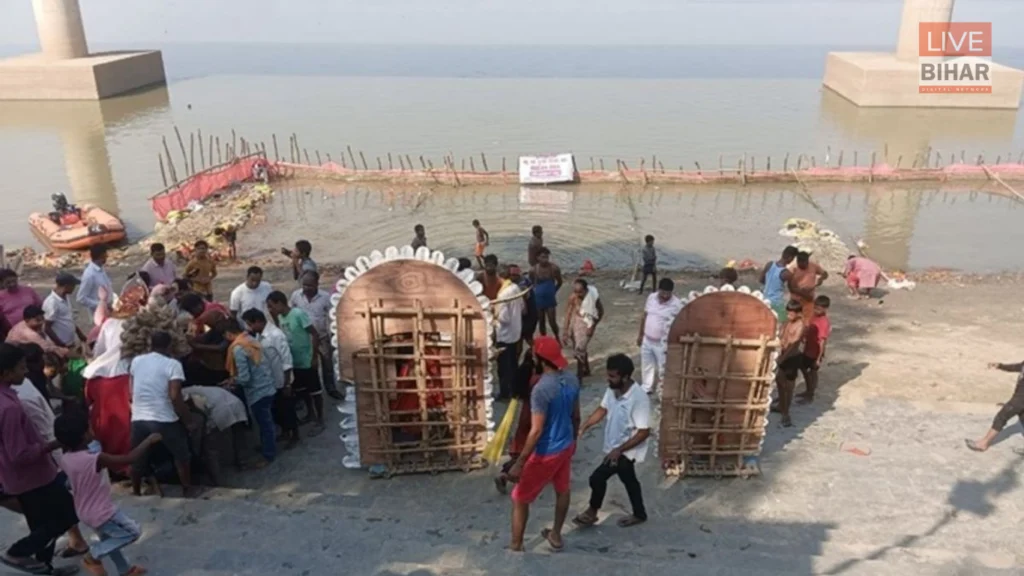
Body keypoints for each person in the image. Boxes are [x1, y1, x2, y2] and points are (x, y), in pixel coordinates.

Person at [0, 344, 80, 575]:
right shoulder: (9, 408)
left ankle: (44, 567)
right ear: (5, 373)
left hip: (24, 476)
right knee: (66, 514)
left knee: (42, 524)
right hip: (31, 477)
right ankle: (17, 551)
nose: (25, 373)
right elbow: (19, 454)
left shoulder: (8, 397)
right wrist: (52, 445)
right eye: (20, 368)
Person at [54, 409, 156, 576]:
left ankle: (125, 570)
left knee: (109, 539)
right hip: (102, 512)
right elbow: (128, 459)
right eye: (89, 428)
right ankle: (92, 556)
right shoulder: (95, 459)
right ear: (84, 435)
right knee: (132, 532)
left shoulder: (65, 458)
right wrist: (149, 441)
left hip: (84, 510)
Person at [506, 336, 581, 552]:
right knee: (563, 489)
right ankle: (556, 534)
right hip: (566, 444)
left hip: (546, 452)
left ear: (540, 360)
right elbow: (576, 416)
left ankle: (516, 545)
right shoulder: (571, 379)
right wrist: (573, 440)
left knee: (520, 498)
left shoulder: (541, 389)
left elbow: (536, 430)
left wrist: (520, 462)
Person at [575, 354, 650, 528]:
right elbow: (603, 408)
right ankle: (640, 513)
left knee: (597, 478)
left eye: (612, 376)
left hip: (625, 450)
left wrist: (619, 450)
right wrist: (585, 425)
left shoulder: (639, 399)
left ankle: (592, 512)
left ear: (625, 377)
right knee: (629, 480)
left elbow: (644, 432)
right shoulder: (612, 389)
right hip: (614, 447)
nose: (608, 379)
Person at [128, 331, 193, 497]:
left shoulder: (137, 361)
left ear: (150, 344)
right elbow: (174, 396)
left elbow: (131, 390)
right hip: (164, 418)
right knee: (181, 454)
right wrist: (188, 420)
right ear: (170, 346)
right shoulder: (173, 365)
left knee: (138, 458)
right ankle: (186, 489)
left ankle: (135, 492)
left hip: (139, 417)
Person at [220, 318, 278, 468]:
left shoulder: (238, 349)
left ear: (228, 334)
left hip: (257, 390)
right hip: (267, 384)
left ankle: (268, 454)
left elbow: (245, 378)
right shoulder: (250, 339)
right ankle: (268, 446)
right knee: (266, 421)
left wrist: (232, 381)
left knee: (264, 423)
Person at [267, 291, 324, 436]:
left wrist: (314, 356)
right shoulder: (280, 317)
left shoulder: (298, 314)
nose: (270, 310)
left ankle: (320, 418)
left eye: (272, 306)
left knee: (315, 391)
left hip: (306, 359)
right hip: (295, 361)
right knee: (302, 390)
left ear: (280, 303)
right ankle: (310, 413)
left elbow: (314, 333)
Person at [242, 309, 298, 448]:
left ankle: (295, 436)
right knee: (278, 410)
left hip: (282, 380)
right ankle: (285, 432)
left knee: (288, 409)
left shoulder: (276, 335)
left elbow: (286, 360)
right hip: (272, 380)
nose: (248, 328)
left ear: (258, 321)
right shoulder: (259, 335)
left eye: (250, 324)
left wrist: (287, 384)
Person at [494, 349, 542, 494]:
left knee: (520, 453)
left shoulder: (523, 373)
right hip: (531, 416)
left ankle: (505, 473)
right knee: (526, 455)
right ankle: (504, 476)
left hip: (523, 415)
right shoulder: (537, 379)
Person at [289, 271, 342, 400]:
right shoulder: (296, 296)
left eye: (310, 285)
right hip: (304, 339)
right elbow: (291, 313)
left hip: (322, 337)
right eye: (304, 285)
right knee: (307, 366)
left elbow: (332, 316)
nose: (307, 288)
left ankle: (330, 388)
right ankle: (309, 390)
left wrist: (334, 334)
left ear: (317, 284)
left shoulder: (325, 297)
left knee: (327, 363)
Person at [636, 278, 682, 395]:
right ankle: (647, 387)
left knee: (663, 368)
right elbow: (644, 316)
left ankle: (663, 391)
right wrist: (640, 335)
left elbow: (679, 325)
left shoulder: (676, 304)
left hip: (662, 343)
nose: (665, 296)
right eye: (663, 293)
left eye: (668, 293)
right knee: (647, 365)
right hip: (647, 339)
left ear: (672, 292)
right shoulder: (651, 298)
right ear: (659, 290)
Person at [967, 360, 1024, 453]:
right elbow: (1017, 367)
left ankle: (983, 444)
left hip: (1020, 399)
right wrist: (1000, 366)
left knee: (1002, 416)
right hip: (1020, 398)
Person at [562, 279, 604, 381]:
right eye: (575, 292)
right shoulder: (573, 298)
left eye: (580, 292)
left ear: (586, 290)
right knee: (578, 347)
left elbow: (601, 312)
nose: (578, 294)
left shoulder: (593, 297)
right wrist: (565, 331)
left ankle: (579, 376)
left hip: (588, 323)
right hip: (576, 322)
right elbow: (568, 314)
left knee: (579, 350)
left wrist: (592, 326)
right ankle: (587, 370)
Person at [774, 300, 807, 428]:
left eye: (792, 314)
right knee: (779, 383)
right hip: (783, 355)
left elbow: (793, 345)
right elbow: (782, 336)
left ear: (798, 314)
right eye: (788, 313)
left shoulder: (800, 325)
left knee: (788, 387)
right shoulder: (788, 323)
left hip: (791, 358)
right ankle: (781, 406)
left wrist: (782, 358)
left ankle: (786, 414)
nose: (789, 316)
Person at [494, 265, 524, 401]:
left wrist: (493, 314)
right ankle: (514, 391)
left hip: (505, 335)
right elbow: (523, 308)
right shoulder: (515, 288)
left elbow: (504, 318)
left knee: (503, 367)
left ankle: (505, 393)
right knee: (513, 364)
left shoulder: (503, 294)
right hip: (515, 332)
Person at [797, 295, 831, 405]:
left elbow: (822, 341)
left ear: (825, 309)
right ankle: (808, 390)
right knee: (804, 368)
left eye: (819, 309)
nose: (816, 310)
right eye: (815, 307)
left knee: (812, 372)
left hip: (815, 351)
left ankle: (810, 394)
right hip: (808, 348)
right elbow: (809, 328)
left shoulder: (824, 322)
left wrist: (818, 357)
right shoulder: (814, 317)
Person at [6, 305, 72, 357]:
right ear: (27, 320)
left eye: (42, 319)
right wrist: (67, 351)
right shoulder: (30, 334)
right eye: (37, 320)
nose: (41, 322)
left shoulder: (24, 323)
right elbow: (47, 348)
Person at [44, 272, 87, 349]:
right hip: (59, 345)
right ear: (67, 286)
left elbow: (69, 319)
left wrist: (80, 334)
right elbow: (47, 328)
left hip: (70, 342)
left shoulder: (66, 297)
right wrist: (61, 345)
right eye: (73, 286)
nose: (74, 288)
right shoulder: (52, 302)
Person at [530, 248, 563, 340]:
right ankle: (544, 339)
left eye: (547, 257)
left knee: (552, 321)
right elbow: (532, 284)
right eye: (543, 257)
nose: (545, 259)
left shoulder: (554, 268)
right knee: (541, 321)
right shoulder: (533, 270)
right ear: (537, 258)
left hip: (550, 299)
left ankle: (557, 337)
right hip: (538, 299)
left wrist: (553, 291)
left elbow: (560, 282)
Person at [760, 246, 799, 321]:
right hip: (776, 303)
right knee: (784, 322)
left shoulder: (769, 264)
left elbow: (761, 280)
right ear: (790, 258)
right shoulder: (786, 273)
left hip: (764, 299)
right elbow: (793, 290)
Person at [787, 251, 828, 322]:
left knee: (808, 321)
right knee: (794, 320)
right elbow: (790, 287)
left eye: (805, 263)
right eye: (800, 263)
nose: (803, 265)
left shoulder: (813, 266)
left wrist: (821, 279)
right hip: (796, 301)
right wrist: (803, 293)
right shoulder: (793, 268)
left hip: (809, 300)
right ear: (797, 261)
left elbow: (825, 274)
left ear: (807, 261)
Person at [77, 246, 114, 316]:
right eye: (105, 255)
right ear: (100, 256)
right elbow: (81, 298)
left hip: (108, 309)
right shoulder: (89, 274)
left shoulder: (101, 268)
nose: (107, 257)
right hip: (98, 313)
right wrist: (100, 305)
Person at [510, 265, 537, 346]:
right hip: (533, 314)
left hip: (528, 316)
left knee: (524, 338)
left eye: (512, 275)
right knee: (527, 338)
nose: (511, 278)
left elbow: (524, 310)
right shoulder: (525, 280)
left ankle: (536, 354)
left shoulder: (521, 286)